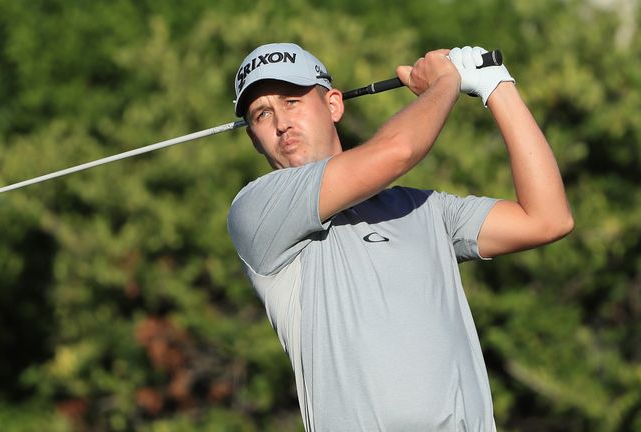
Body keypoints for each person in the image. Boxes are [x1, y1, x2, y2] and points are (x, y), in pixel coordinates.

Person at [226, 42, 573, 431]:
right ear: (254, 139)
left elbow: (547, 219)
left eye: (292, 101)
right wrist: (447, 83)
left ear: (334, 105)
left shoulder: (424, 209)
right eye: (262, 114)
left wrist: (496, 85)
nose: (281, 123)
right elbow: (397, 151)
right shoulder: (256, 211)